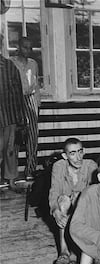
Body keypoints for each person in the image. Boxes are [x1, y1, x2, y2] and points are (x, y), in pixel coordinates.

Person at [49, 138, 97, 264]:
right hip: (67, 210)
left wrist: (79, 197)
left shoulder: (91, 165)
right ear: (65, 156)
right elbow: (54, 192)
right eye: (72, 153)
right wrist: (55, 210)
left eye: (80, 151)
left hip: (86, 211)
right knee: (63, 200)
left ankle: (85, 249)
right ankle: (64, 251)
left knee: (78, 196)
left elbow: (95, 194)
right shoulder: (59, 166)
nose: (78, 157)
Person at [10, 36, 40, 180]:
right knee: (14, 138)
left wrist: (37, 104)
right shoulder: (10, 63)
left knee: (33, 138)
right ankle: (12, 174)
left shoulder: (33, 64)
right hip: (15, 102)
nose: (27, 50)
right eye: (24, 47)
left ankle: (30, 171)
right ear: (18, 47)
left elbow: (36, 85)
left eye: (30, 47)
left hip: (31, 100)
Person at [0, 33, 25, 192]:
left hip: (8, 117)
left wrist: (19, 118)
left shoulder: (9, 67)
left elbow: (18, 94)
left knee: (10, 151)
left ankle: (11, 181)